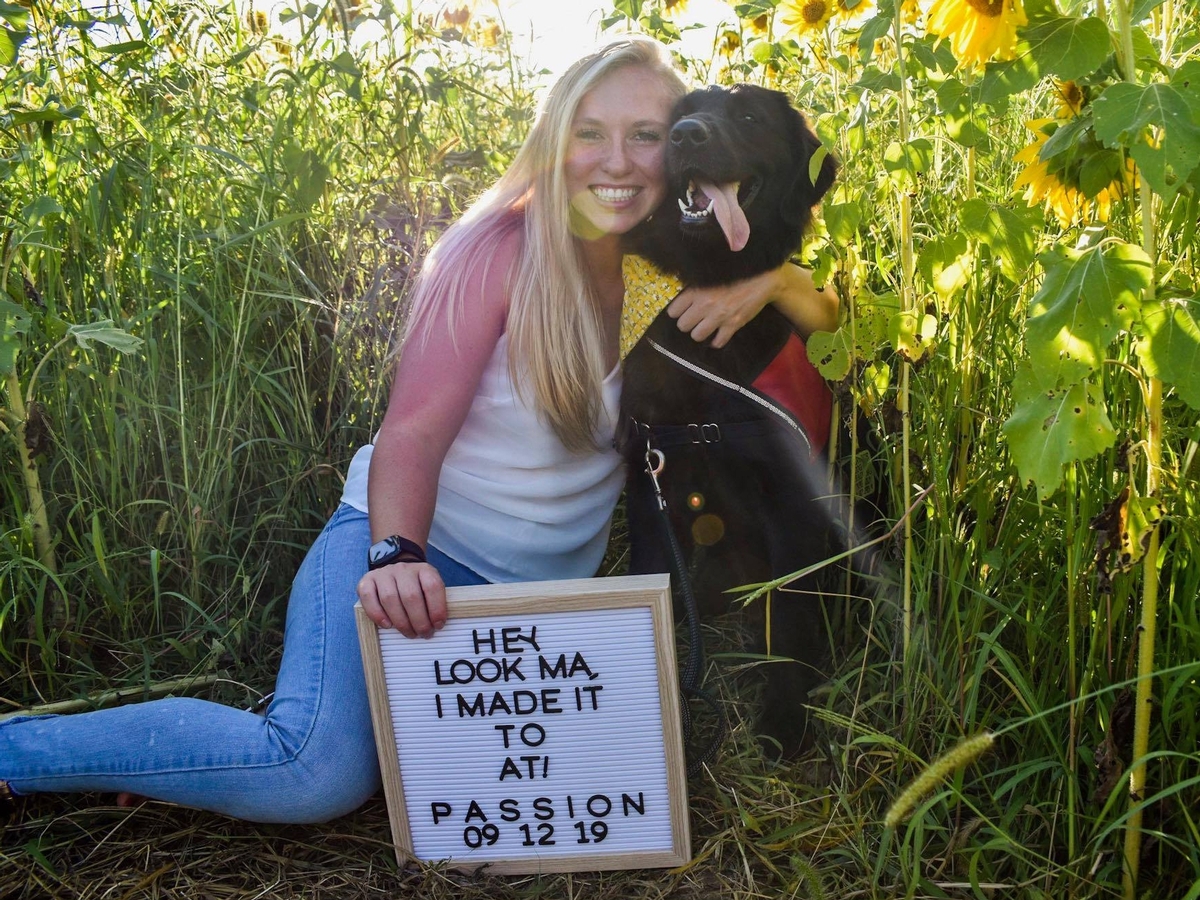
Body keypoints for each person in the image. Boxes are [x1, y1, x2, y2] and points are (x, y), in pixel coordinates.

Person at [0, 38, 836, 824]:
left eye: (645, 135)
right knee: (314, 773)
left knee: (574, 789)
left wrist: (777, 281)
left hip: (538, 612)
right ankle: (22, 753)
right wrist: (396, 554)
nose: (617, 162)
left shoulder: (667, 265)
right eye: (590, 134)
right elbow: (411, 433)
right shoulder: (496, 252)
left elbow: (837, 321)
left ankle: (185, 764)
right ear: (554, 142)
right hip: (415, 548)